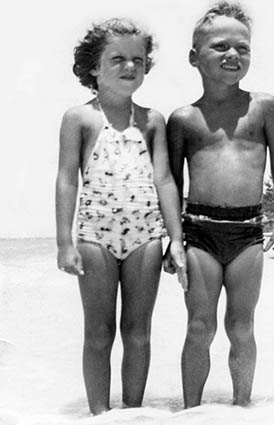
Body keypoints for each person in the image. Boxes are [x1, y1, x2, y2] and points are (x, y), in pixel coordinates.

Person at [165, 1, 274, 408]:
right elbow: (169, 181)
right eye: (220, 46)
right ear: (194, 57)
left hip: (247, 233)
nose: (233, 54)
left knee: (241, 326)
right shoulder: (183, 119)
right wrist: (172, 239)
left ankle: (243, 409)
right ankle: (190, 412)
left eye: (243, 47)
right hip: (199, 233)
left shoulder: (263, 107)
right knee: (199, 327)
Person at [55, 18, 187, 415]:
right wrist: (64, 243)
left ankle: (133, 413)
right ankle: (98, 415)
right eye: (118, 59)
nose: (130, 67)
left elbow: (164, 180)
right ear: (94, 67)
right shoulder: (79, 118)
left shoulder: (152, 120)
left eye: (139, 60)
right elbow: (66, 181)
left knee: (138, 331)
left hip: (146, 235)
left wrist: (176, 241)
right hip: (95, 235)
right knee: (98, 332)